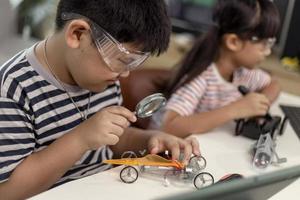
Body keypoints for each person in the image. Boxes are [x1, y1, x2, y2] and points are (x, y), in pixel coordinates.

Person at [0, 1, 200, 199]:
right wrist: (80, 139)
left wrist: (149, 139)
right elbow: (8, 191)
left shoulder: (102, 75)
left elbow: (111, 137)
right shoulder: (12, 88)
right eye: (123, 61)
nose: (125, 75)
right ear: (78, 34)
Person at [160, 0, 281, 137]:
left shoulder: (244, 73)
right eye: (264, 43)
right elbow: (169, 126)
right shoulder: (203, 78)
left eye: (271, 43)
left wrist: (260, 104)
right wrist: (237, 109)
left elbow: (273, 84)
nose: (268, 52)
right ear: (233, 42)